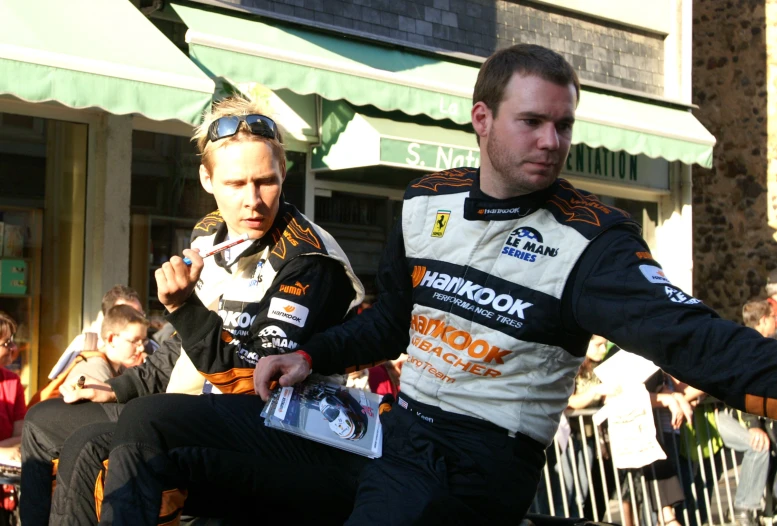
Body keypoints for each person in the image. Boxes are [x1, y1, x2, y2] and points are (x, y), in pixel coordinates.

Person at [98, 43, 777, 525]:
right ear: (481, 120)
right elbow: (391, 319)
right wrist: (309, 357)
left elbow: (701, 344)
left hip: (478, 464)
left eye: (562, 124)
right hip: (386, 433)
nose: (551, 140)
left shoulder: (593, 240)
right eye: (531, 121)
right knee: (150, 437)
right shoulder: (426, 202)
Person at [20, 96, 363, 526]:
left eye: (266, 181)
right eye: (236, 184)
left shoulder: (309, 260)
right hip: (198, 407)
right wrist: (118, 387)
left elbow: (253, 380)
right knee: (45, 423)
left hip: (283, 426)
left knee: (123, 431)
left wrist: (182, 307)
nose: (253, 200)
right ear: (207, 178)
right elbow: (183, 349)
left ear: (284, 174)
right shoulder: (209, 233)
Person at [712, 300, 775, 526]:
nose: (775, 324)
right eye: (773, 319)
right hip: (731, 414)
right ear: (764, 320)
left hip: (744, 414)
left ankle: (757, 510)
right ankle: (742, 509)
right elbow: (744, 385)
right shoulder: (748, 346)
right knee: (758, 445)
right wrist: (755, 425)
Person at [30, 305, 149, 406]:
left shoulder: (118, 367)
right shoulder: (94, 368)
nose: (141, 347)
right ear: (111, 339)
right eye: (134, 341)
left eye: (143, 341)